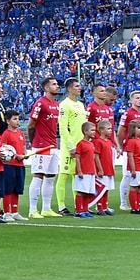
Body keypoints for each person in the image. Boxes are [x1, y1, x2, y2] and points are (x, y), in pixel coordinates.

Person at [26, 77, 61, 219]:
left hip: (53, 144)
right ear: (46, 88)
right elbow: (31, 124)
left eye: (57, 84)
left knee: (51, 176)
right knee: (38, 175)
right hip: (41, 145)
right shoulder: (40, 103)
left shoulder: (57, 105)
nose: (57, 86)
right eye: (54, 84)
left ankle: (46, 208)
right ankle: (32, 209)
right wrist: (33, 141)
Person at [56, 78, 88, 216]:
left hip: (81, 146)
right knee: (64, 175)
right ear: (69, 89)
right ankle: (61, 205)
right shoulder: (64, 105)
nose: (79, 88)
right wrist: (70, 145)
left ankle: (78, 205)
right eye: (76, 86)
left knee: (78, 176)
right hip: (70, 146)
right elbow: (63, 127)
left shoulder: (81, 105)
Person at [117, 90, 140, 211]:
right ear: (131, 100)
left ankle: (139, 202)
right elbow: (120, 131)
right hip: (130, 148)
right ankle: (123, 202)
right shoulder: (128, 113)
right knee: (127, 175)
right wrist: (121, 146)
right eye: (137, 98)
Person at [0, 110, 28, 222]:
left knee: (17, 189)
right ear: (8, 121)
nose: (17, 121)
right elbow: (4, 149)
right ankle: (6, 212)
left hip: (20, 165)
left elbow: (24, 148)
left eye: (18, 119)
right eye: (14, 119)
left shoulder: (21, 134)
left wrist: (24, 155)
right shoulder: (6, 134)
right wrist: (16, 156)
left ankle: (15, 211)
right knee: (8, 189)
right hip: (9, 165)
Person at [71, 120, 99, 218]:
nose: (94, 132)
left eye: (94, 130)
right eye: (92, 130)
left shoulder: (91, 144)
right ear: (85, 131)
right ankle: (78, 211)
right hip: (83, 171)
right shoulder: (81, 144)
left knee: (88, 191)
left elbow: (92, 159)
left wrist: (95, 171)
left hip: (90, 171)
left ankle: (85, 209)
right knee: (81, 191)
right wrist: (79, 171)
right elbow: (77, 158)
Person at [123, 120, 140, 215]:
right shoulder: (131, 142)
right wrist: (133, 169)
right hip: (136, 167)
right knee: (134, 187)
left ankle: (138, 206)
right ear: (133, 130)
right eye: (139, 128)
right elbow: (130, 156)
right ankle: (134, 208)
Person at [91, 118, 116, 215]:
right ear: (101, 130)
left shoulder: (109, 142)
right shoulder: (99, 142)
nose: (110, 130)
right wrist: (100, 169)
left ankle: (105, 207)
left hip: (109, 169)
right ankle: (100, 207)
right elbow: (96, 156)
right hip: (103, 170)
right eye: (108, 129)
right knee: (101, 189)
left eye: (111, 128)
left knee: (107, 189)